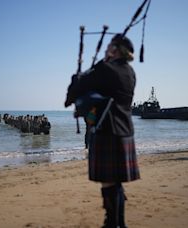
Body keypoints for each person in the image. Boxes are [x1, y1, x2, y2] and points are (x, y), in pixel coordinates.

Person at [65, 34, 140, 228]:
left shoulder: (105, 68)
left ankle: (111, 224)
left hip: (106, 129)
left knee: (108, 182)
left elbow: (77, 90)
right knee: (116, 182)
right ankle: (119, 224)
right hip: (125, 130)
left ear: (115, 49)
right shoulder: (130, 72)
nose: (106, 49)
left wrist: (76, 79)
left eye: (109, 46)